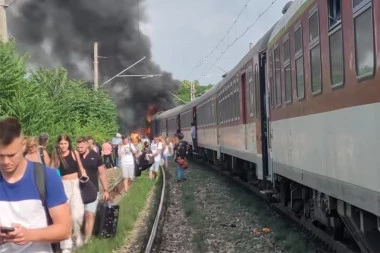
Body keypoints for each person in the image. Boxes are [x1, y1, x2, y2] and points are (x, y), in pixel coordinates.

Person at [0, 117, 70, 253]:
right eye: (0, 156)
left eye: (11, 155)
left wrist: (29, 235)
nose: (5, 161)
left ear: (23, 145)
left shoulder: (46, 177)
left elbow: (64, 229)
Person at [50, 134, 88, 252]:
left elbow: (80, 167)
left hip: (75, 184)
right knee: (64, 216)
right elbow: (51, 171)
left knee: (77, 214)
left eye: (65, 143)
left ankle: (76, 234)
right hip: (62, 185)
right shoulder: (56, 155)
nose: (63, 146)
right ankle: (66, 245)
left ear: (69, 144)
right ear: (58, 144)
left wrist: (84, 174)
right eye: (61, 144)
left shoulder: (74, 153)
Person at [76, 137, 109, 244]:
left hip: (93, 189)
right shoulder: (76, 156)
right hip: (78, 189)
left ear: (86, 145)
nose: (79, 149)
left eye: (81, 147)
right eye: (78, 147)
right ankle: (80, 235)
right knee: (80, 215)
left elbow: (102, 174)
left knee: (90, 214)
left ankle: (87, 240)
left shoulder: (96, 157)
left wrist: (106, 190)